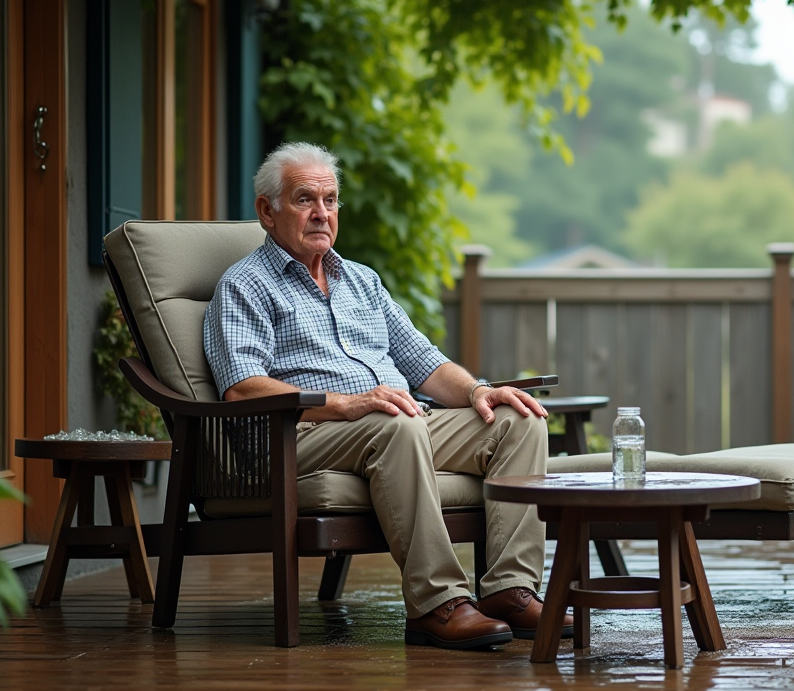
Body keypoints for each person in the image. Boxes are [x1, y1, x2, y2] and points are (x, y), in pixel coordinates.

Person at [203, 141, 571, 650]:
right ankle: (435, 603)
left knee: (516, 419)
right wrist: (344, 403)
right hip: (299, 435)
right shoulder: (245, 285)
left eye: (330, 201)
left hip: (390, 422)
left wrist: (479, 390)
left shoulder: (362, 281)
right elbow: (242, 387)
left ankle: (510, 590)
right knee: (394, 422)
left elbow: (424, 361)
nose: (321, 214)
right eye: (305, 199)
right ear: (268, 211)